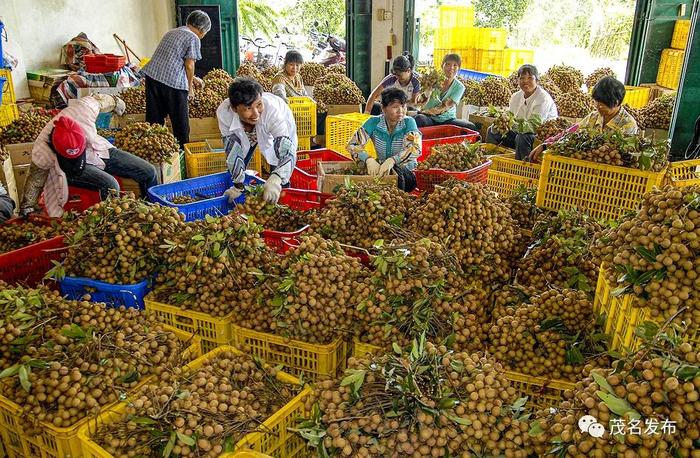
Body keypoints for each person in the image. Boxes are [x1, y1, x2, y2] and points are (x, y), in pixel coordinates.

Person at [20, 95, 158, 218]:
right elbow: (35, 180)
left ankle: (152, 212)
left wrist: (116, 102)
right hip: (68, 169)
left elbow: (101, 101)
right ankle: (112, 221)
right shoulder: (42, 150)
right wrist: (28, 206)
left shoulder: (84, 110)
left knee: (149, 171)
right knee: (111, 185)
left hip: (98, 150)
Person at [217, 78, 297, 204]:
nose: (255, 114)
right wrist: (238, 185)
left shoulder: (273, 111)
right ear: (234, 108)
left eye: (259, 105)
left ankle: (283, 201)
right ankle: (241, 188)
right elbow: (233, 149)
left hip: (276, 129)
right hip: (247, 133)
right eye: (248, 108)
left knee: (279, 168)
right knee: (241, 161)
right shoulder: (224, 113)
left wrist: (276, 178)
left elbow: (287, 151)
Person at [142, 10, 211, 148]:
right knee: (181, 126)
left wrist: (194, 78)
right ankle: (182, 155)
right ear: (202, 29)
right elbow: (189, 65)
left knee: (154, 120)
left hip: (152, 77)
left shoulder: (172, 32)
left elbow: (172, 60)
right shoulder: (193, 37)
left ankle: (154, 150)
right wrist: (190, 88)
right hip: (172, 84)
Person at [529, 76, 638, 162]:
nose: (598, 107)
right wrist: (546, 144)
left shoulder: (628, 125)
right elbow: (571, 132)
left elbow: (623, 156)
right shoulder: (593, 117)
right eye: (597, 103)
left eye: (602, 105)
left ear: (616, 103)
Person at [347, 87, 422, 192]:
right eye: (395, 107)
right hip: (382, 169)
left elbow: (415, 148)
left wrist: (393, 160)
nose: (401, 111)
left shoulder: (409, 122)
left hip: (406, 173)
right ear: (383, 108)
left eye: (403, 106)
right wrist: (368, 159)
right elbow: (353, 144)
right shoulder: (374, 122)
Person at [486, 64, 557, 160]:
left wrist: (513, 125)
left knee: (522, 138)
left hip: (539, 137)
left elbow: (535, 125)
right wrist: (501, 123)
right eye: (522, 78)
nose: (525, 81)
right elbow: (510, 116)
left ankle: (523, 165)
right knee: (492, 130)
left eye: (530, 78)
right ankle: (492, 159)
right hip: (520, 131)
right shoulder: (516, 96)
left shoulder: (543, 98)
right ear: (518, 80)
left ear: (537, 80)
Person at [413, 53, 476, 130]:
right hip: (429, 118)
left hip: (447, 120)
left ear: (459, 68)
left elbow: (445, 106)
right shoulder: (433, 80)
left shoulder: (459, 87)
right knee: (419, 118)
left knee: (470, 127)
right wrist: (427, 92)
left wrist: (427, 111)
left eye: (455, 65)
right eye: (448, 64)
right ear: (442, 66)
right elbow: (419, 101)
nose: (451, 68)